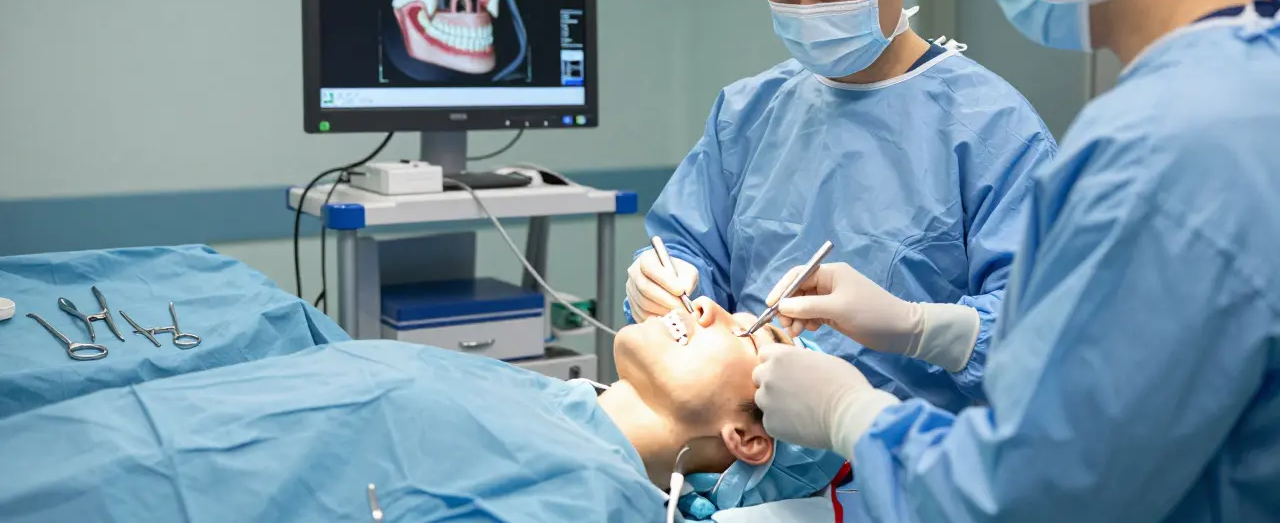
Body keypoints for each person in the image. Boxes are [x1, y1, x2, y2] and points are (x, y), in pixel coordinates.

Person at [752, 0, 1280, 520]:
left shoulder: (1168, 146)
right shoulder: (1250, 81)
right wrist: (925, 327)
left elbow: (1027, 498)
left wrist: (850, 413)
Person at [626, 0, 1057, 413]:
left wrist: (916, 327)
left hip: (903, 464)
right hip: (752, 449)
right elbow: (690, 248)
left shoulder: (992, 130)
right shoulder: (748, 113)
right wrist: (666, 279)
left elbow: (1042, 328)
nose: (807, 11)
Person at [0, 297, 845, 522]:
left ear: (744, 435)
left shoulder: (588, 491)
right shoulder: (545, 402)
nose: (710, 309)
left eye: (752, 333)